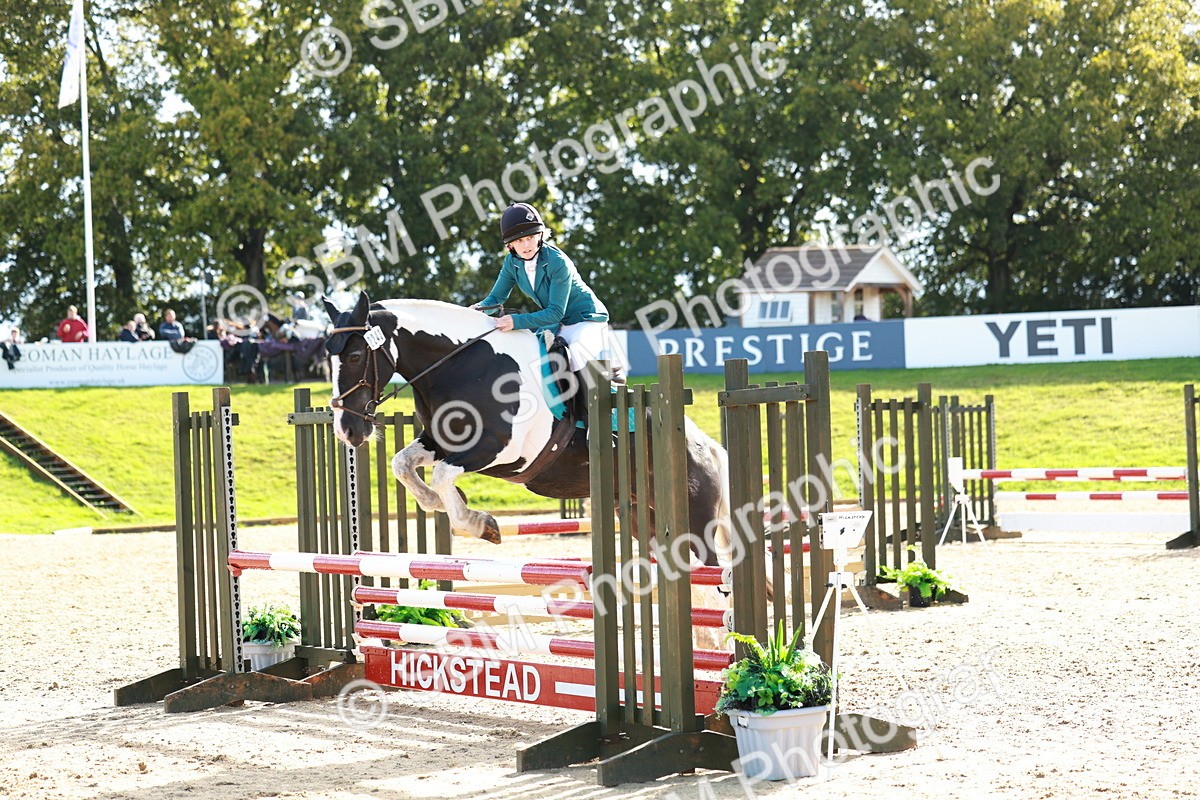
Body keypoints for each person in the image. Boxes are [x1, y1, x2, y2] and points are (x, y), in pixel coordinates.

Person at [473, 203, 616, 377]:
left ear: (540, 235)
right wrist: (476, 310)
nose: (527, 245)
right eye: (519, 240)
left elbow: (555, 312)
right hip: (558, 324)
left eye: (531, 237)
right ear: (510, 245)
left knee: (573, 360)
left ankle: (606, 394)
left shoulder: (557, 262)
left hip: (586, 321)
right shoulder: (512, 262)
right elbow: (496, 298)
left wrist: (516, 321)